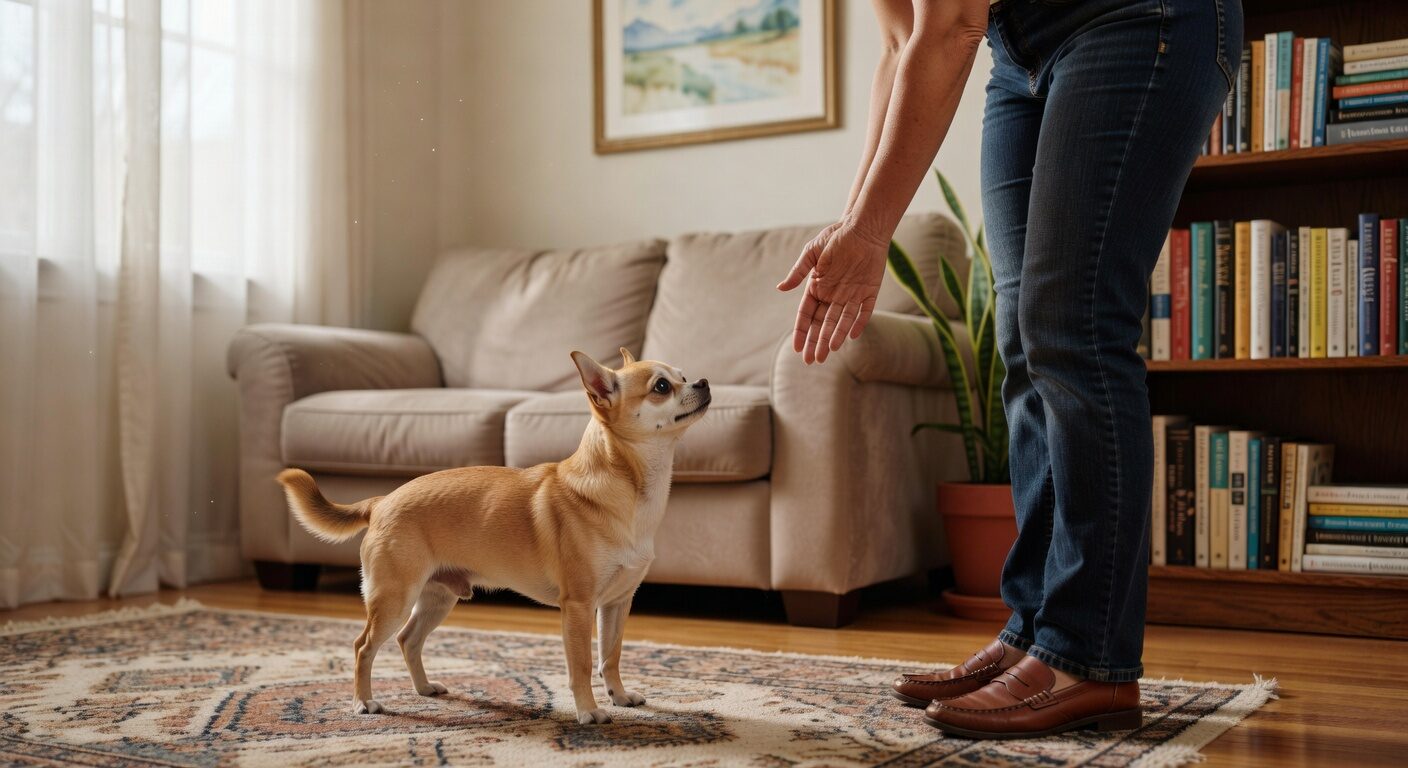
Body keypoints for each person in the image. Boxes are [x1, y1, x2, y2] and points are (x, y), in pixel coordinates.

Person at [777, 0, 1242, 739]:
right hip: (1018, 56)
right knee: (1027, 347)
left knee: (1075, 329)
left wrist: (872, 232)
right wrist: (851, 224)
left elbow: (950, 22)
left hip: (1136, 19)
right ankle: (1033, 631)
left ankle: (1087, 656)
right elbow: (900, 42)